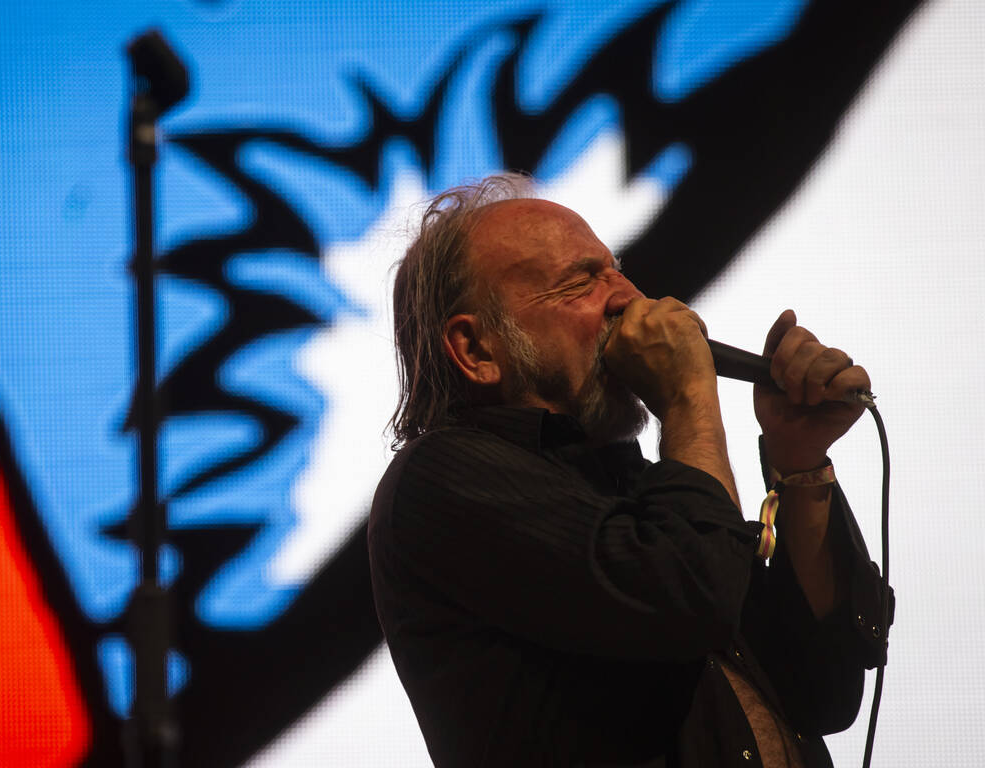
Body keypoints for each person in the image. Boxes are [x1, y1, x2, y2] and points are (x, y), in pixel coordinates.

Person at [367, 174, 891, 768]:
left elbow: (823, 689)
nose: (630, 299)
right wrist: (690, 399)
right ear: (477, 350)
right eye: (580, 282)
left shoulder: (644, 490)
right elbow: (688, 597)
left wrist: (799, 463)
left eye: (616, 270)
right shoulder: (440, 482)